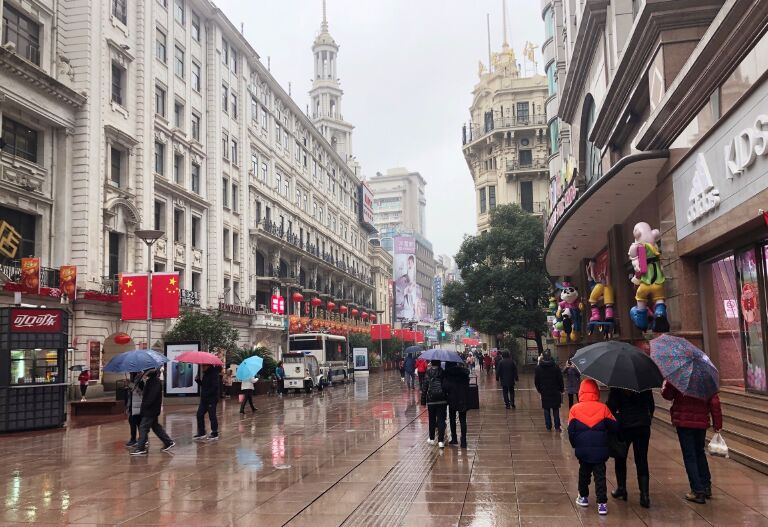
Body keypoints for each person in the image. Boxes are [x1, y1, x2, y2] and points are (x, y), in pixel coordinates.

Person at [662, 381, 722, 504]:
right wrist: (718, 424)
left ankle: (697, 491)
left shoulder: (678, 377)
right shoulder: (705, 378)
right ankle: (706, 486)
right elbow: (714, 402)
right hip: (701, 421)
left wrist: (666, 385)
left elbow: (668, 395)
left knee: (690, 456)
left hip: (684, 422)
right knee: (700, 452)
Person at [568, 379, 618, 516]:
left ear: (581, 392)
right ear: (596, 391)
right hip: (600, 450)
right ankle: (602, 504)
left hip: (583, 450)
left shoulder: (574, 409)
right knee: (600, 476)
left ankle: (583, 497)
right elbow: (614, 427)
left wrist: (575, 445)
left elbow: (571, 431)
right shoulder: (603, 408)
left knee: (584, 473)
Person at [606, 387, 655, 508]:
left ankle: (621, 488)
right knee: (642, 459)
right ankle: (644, 496)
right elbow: (651, 406)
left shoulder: (618, 385)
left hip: (625, 426)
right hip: (643, 426)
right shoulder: (645, 386)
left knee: (620, 457)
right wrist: (647, 418)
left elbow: (611, 407)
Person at [130, 368, 175, 455]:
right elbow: (146, 394)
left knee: (143, 427)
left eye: (146, 371)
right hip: (151, 409)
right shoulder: (151, 381)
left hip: (150, 409)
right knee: (155, 427)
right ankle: (168, 442)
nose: (144, 372)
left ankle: (140, 448)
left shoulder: (155, 381)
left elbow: (151, 397)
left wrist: (145, 406)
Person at [534, 350, 564, 431]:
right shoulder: (556, 367)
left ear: (543, 357)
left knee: (546, 408)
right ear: (550, 356)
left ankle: (548, 426)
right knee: (555, 408)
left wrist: (539, 390)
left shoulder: (538, 368)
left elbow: (536, 381)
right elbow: (560, 379)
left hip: (544, 391)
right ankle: (557, 426)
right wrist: (561, 389)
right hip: (555, 391)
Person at [444, 362, 470, 448]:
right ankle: (463, 440)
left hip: (452, 399)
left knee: (452, 419)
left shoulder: (448, 374)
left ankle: (454, 438)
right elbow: (467, 385)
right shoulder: (464, 373)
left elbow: (445, 387)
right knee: (463, 420)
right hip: (463, 398)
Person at [424, 360, 448, 448]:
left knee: (432, 419)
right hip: (442, 399)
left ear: (432, 363)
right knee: (441, 420)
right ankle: (441, 441)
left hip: (431, 400)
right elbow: (446, 386)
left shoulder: (428, 372)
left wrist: (423, 401)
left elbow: (425, 386)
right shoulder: (443, 372)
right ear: (439, 363)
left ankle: (431, 438)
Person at [194, 364, 221, 441]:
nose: (202, 367)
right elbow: (204, 385)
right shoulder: (206, 374)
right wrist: (198, 381)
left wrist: (206, 393)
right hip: (204, 399)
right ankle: (202, 432)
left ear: (208, 366)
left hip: (211, 399)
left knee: (212, 416)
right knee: (199, 414)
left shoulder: (214, 374)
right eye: (202, 366)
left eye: (204, 366)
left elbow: (215, 387)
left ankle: (214, 433)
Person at [125, 372, 144, 447]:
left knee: (138, 424)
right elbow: (130, 396)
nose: (130, 374)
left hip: (138, 406)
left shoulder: (141, 381)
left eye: (131, 373)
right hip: (132, 406)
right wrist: (127, 407)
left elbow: (141, 392)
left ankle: (141, 439)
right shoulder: (133, 381)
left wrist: (131, 385)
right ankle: (135, 439)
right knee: (132, 422)